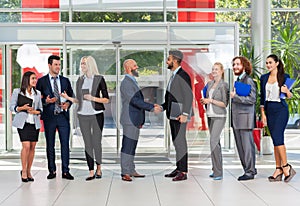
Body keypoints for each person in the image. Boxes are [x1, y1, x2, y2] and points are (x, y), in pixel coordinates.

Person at [61, 56, 109, 181]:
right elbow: (79, 100)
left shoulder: (99, 79)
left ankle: (99, 168)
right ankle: (91, 171)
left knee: (96, 142)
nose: (82, 66)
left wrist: (92, 98)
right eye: (81, 64)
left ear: (90, 65)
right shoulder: (80, 80)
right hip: (83, 115)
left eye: (84, 64)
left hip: (97, 114)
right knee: (87, 143)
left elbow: (106, 99)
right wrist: (68, 97)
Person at [120, 59, 161, 182]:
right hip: (129, 120)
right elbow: (134, 100)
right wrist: (151, 107)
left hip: (135, 120)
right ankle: (125, 172)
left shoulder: (133, 81)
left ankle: (131, 169)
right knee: (127, 146)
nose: (137, 67)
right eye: (134, 65)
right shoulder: (126, 83)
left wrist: (140, 120)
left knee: (132, 146)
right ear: (128, 68)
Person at [36, 55, 75, 180]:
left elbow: (71, 97)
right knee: (50, 144)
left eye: (59, 65)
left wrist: (67, 104)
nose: (58, 67)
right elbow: (36, 100)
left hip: (63, 117)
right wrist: (46, 101)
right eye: (56, 65)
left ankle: (65, 171)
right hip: (49, 117)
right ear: (49, 65)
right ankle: (52, 170)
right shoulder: (41, 82)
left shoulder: (65, 81)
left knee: (65, 144)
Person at [260, 54, 296, 182]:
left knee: (278, 138)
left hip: (281, 109)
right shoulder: (263, 78)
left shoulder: (284, 77)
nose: (268, 65)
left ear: (277, 63)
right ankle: (278, 168)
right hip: (269, 109)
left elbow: (289, 96)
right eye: (267, 63)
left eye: (270, 62)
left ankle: (286, 167)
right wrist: (263, 114)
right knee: (275, 139)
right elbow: (262, 98)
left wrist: (287, 91)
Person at [161, 50, 193, 181]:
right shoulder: (174, 75)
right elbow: (171, 97)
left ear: (175, 61)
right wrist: (162, 107)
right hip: (173, 114)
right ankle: (179, 168)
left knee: (181, 143)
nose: (167, 62)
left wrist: (185, 113)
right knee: (176, 142)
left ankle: (183, 171)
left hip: (180, 115)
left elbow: (188, 96)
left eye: (168, 59)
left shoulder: (183, 75)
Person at [9, 71, 43, 182]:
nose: (35, 80)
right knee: (26, 146)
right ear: (27, 79)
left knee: (33, 147)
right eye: (33, 78)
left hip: (34, 123)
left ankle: (29, 171)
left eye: (35, 79)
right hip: (23, 123)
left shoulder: (37, 93)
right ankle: (23, 171)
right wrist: (21, 108)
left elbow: (41, 109)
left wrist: (35, 111)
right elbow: (12, 107)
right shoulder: (17, 92)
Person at [200, 62, 229, 180]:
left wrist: (210, 101)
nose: (214, 71)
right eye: (213, 69)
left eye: (216, 69)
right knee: (215, 144)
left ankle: (218, 172)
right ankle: (215, 169)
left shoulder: (224, 85)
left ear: (222, 71)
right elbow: (207, 98)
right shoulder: (209, 83)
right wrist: (204, 101)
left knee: (213, 141)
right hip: (210, 115)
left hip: (219, 116)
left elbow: (224, 103)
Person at [230, 56, 257, 181]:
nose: (235, 67)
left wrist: (235, 97)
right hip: (236, 119)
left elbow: (252, 99)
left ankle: (250, 171)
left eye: (238, 64)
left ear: (244, 66)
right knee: (241, 147)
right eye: (234, 64)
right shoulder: (238, 80)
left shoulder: (248, 80)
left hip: (245, 119)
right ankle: (247, 170)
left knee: (247, 147)